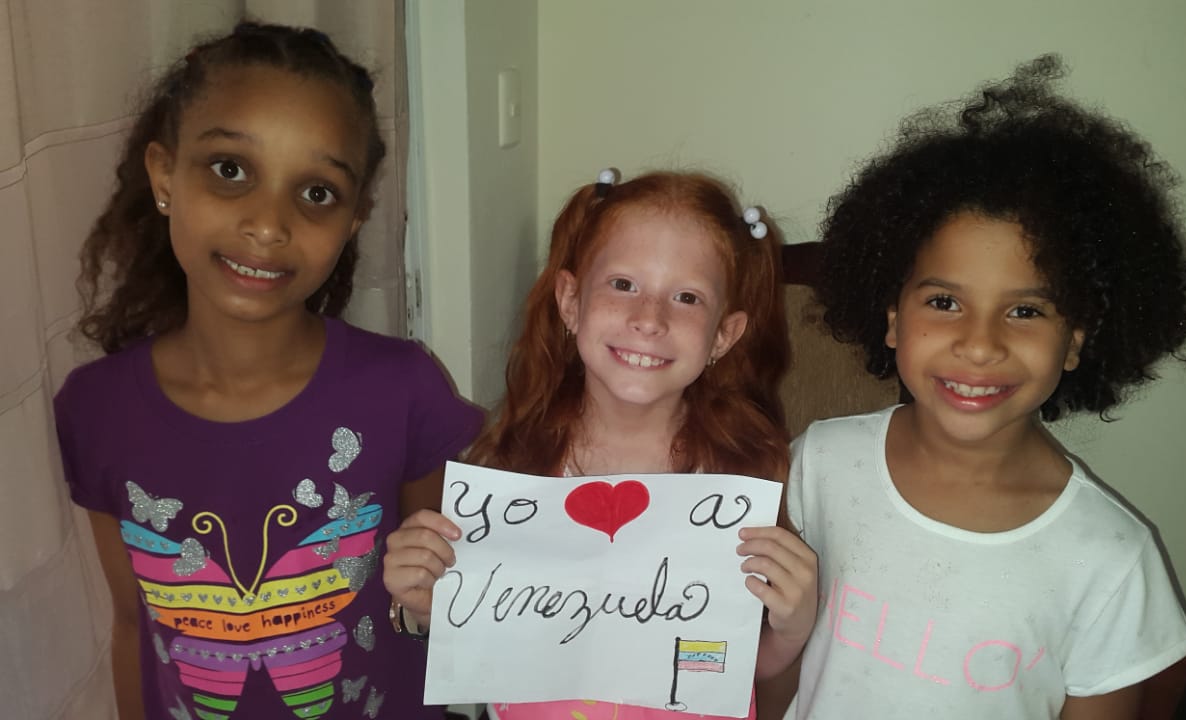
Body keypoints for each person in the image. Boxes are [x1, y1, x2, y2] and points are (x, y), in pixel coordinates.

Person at [54, 22, 482, 720]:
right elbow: (134, 624)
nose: (268, 225)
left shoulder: (402, 391)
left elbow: (444, 603)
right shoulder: (96, 410)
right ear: (164, 177)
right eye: (231, 170)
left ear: (353, 219)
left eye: (316, 193)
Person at [784, 55, 1186, 719]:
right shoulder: (817, 464)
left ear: (1075, 341)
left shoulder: (1110, 558)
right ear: (892, 319)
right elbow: (767, 669)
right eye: (945, 302)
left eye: (1026, 310)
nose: (980, 344)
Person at [382, 169, 819, 719]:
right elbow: (483, 639)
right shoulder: (509, 470)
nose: (649, 319)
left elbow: (736, 664)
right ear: (570, 302)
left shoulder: (741, 476)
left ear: (723, 336)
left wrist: (793, 625)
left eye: (686, 297)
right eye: (623, 284)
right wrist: (424, 607)